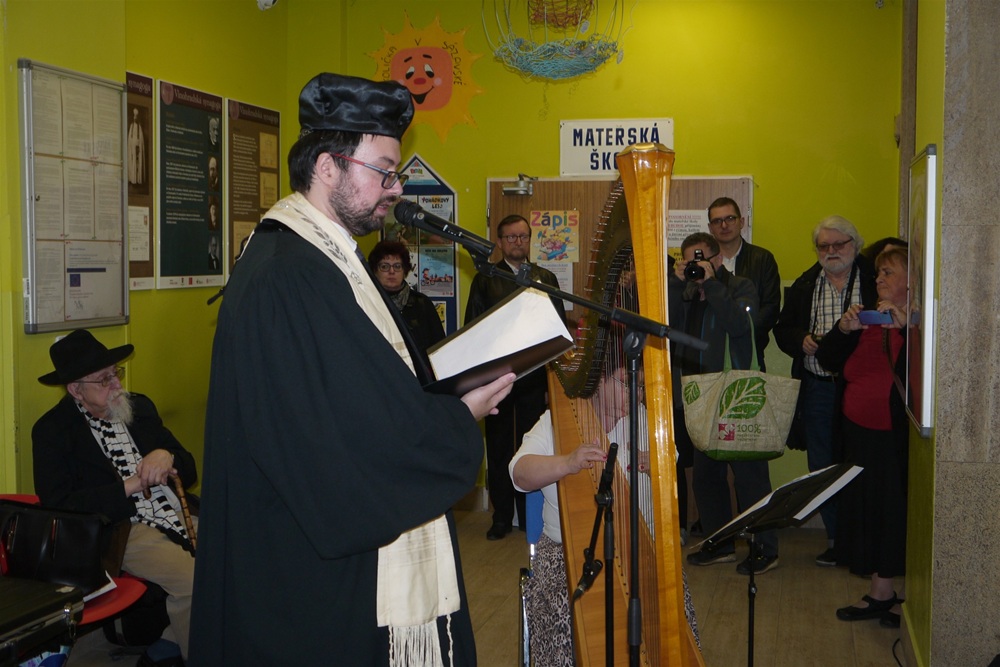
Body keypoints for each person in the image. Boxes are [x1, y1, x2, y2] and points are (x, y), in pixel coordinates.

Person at [189, 72, 514, 667]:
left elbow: (360, 389)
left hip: (309, 552)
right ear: (327, 167)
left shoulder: (320, 258)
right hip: (305, 575)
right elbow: (341, 442)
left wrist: (445, 391)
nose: (396, 188)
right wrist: (456, 419)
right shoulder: (291, 274)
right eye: (384, 171)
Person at [32, 329, 197, 667]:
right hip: (121, 531)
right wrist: (129, 486)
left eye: (115, 373)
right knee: (194, 581)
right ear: (75, 390)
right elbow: (60, 506)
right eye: (104, 379)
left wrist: (167, 455)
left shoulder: (139, 408)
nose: (117, 384)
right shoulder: (53, 431)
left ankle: (169, 644)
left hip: (172, 509)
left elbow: (189, 468)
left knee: (235, 557)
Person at [671, 233, 779, 575]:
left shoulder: (740, 286)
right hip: (700, 396)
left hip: (737, 394)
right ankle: (720, 544)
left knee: (750, 478)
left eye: (700, 259)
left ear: (717, 259)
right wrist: (678, 284)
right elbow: (669, 326)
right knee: (706, 477)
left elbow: (739, 325)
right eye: (689, 261)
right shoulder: (688, 292)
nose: (695, 267)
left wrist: (713, 284)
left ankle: (765, 548)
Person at [814, 246, 909, 628]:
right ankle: (881, 591)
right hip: (858, 432)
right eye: (878, 273)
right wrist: (843, 329)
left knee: (892, 513)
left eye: (888, 273)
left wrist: (905, 329)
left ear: (911, 282)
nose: (879, 279)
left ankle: (897, 595)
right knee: (867, 513)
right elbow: (827, 359)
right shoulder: (867, 316)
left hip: (893, 437)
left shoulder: (920, 322)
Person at [773, 216, 876, 567]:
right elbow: (782, 329)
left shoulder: (873, 281)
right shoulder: (806, 283)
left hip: (861, 390)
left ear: (855, 245)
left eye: (839, 244)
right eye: (823, 246)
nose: (831, 251)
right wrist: (799, 339)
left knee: (861, 464)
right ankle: (835, 540)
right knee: (822, 466)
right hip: (818, 389)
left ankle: (864, 541)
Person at [465, 214, 566, 540]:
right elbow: (472, 331)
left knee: (532, 446)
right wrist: (479, 383)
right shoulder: (485, 279)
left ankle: (528, 515)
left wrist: (554, 385)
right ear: (500, 242)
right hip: (497, 382)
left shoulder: (546, 278)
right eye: (511, 237)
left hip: (535, 380)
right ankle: (501, 516)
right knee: (497, 449)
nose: (518, 242)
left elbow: (558, 331)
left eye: (523, 236)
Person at [705, 197, 781, 370]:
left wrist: (744, 334)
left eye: (730, 218)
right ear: (710, 228)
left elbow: (770, 308)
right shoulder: (704, 264)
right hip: (711, 355)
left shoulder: (762, 259)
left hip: (750, 353)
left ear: (742, 222)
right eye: (717, 221)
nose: (724, 225)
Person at [368, 239, 446, 356]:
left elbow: (439, 348)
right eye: (384, 266)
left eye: (397, 266)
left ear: (405, 271)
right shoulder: (367, 301)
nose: (391, 271)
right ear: (375, 271)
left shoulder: (422, 304)